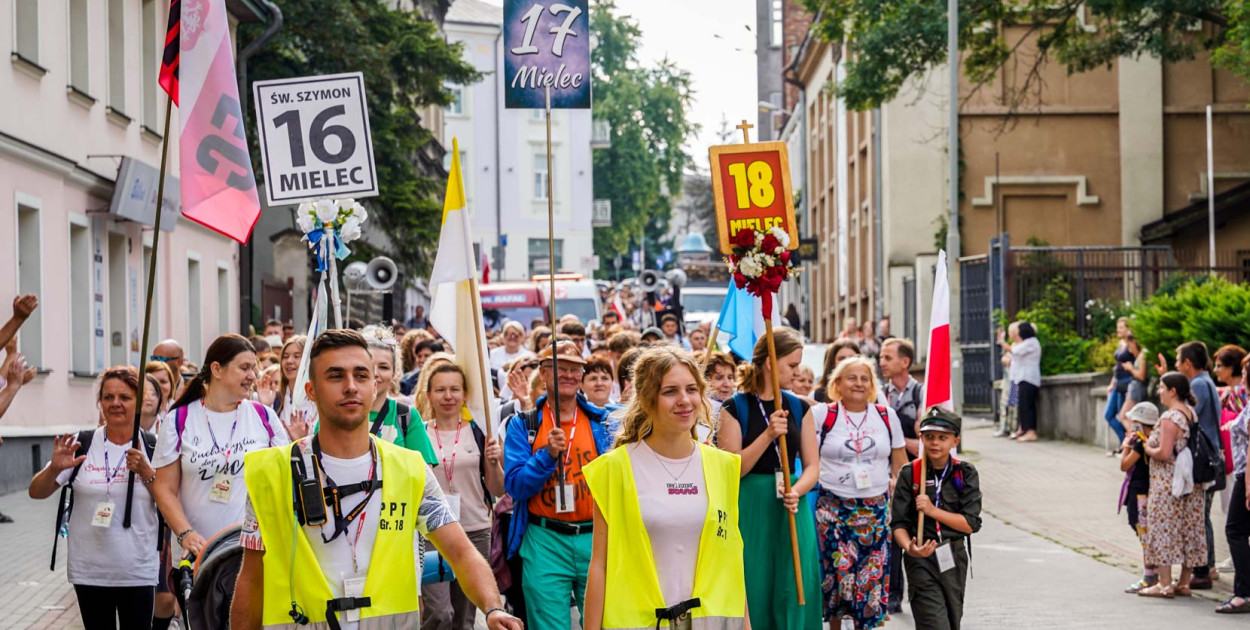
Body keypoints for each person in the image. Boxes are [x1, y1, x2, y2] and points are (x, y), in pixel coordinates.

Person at [230, 330, 522, 630]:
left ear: (375, 385)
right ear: (311, 390)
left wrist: (492, 608)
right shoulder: (272, 473)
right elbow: (252, 579)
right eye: (335, 376)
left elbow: (461, 553)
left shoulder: (410, 469)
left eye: (361, 375)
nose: (351, 386)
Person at [583, 346, 747, 629]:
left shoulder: (724, 467)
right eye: (670, 391)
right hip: (640, 622)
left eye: (692, 389)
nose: (685, 400)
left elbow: (730, 561)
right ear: (647, 400)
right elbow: (600, 565)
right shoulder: (615, 468)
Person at [29, 367, 161, 630]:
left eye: (124, 397)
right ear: (100, 402)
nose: (115, 404)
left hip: (137, 569)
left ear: (138, 402)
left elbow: (171, 503)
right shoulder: (82, 443)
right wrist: (55, 469)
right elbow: (36, 492)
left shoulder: (154, 447)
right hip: (90, 569)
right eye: (108, 397)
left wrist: (147, 473)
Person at [503, 340, 616, 630]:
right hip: (545, 540)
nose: (567, 374)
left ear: (581, 375)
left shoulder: (603, 422)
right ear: (543, 373)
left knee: (606, 622)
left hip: (597, 537)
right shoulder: (524, 424)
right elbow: (515, 486)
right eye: (559, 368)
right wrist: (546, 455)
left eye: (574, 369)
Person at [149, 334, 294, 561]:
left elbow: (284, 478)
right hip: (196, 555)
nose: (252, 376)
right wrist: (185, 533)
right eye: (244, 368)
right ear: (217, 369)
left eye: (254, 368)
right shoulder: (180, 419)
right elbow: (164, 488)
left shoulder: (263, 416)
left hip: (253, 554)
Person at [717, 327, 822, 630]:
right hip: (751, 505)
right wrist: (767, 434)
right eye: (791, 365)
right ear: (769, 363)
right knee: (755, 580)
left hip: (791, 502)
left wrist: (798, 490)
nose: (797, 372)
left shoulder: (800, 407)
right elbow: (733, 468)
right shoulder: (735, 407)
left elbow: (813, 466)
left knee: (793, 583)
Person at [813, 356, 907, 627]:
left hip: (876, 509)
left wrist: (898, 495)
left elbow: (899, 464)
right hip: (833, 508)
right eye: (852, 378)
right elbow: (809, 457)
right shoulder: (823, 415)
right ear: (838, 383)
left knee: (870, 578)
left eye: (865, 378)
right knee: (839, 576)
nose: (859, 383)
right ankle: (834, 625)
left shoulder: (886, 416)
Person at [419, 357, 506, 630]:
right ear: (429, 395)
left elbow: (497, 489)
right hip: (432, 533)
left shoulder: (481, 433)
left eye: (454, 389)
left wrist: (494, 462)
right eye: (441, 390)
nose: (448, 396)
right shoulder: (418, 433)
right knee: (439, 612)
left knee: (465, 617)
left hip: (474, 529)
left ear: (465, 394)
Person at [890, 407, 983, 630]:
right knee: (934, 623)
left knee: (952, 621)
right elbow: (898, 524)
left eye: (943, 437)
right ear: (921, 438)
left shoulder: (966, 473)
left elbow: (970, 524)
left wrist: (932, 510)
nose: (935, 443)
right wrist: (909, 548)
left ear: (955, 441)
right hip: (921, 556)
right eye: (929, 437)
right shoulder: (910, 473)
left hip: (953, 555)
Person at [1156, 341, 1222, 588]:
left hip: (1200, 460)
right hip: (1207, 456)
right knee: (1200, 514)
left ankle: (1205, 569)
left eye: (1176, 361)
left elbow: (1182, 412)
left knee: (1199, 516)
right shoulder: (1205, 382)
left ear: (1187, 363)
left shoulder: (1198, 385)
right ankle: (1204, 567)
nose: (1175, 364)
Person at [1139, 372, 1209, 598]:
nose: (1158, 391)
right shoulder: (1191, 414)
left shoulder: (1170, 418)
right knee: (1190, 529)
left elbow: (1164, 452)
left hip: (1168, 483)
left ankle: (1165, 584)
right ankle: (1184, 582)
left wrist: (1147, 449)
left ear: (1173, 391)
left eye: (1161, 387)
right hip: (1191, 483)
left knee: (1164, 528)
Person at [878, 337, 923, 612]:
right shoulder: (881, 393)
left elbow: (926, 441)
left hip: (916, 471)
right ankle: (893, 592)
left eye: (887, 357)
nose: (881, 362)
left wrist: (898, 440)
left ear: (905, 362)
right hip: (888, 471)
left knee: (917, 530)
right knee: (894, 528)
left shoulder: (921, 393)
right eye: (881, 357)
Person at [361, 328, 438, 464]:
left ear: (394, 374)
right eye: (369, 366)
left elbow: (425, 477)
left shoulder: (406, 417)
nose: (375, 373)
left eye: (384, 367)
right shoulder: (337, 413)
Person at [1218, 353, 1250, 613]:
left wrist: (1248, 486)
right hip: (1243, 474)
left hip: (1245, 475)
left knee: (1235, 531)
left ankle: (1244, 593)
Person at [1120, 402, 1160, 594]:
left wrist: (1126, 447)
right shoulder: (1154, 440)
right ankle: (1154, 573)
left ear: (1141, 423)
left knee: (1143, 532)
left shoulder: (1139, 443)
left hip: (1140, 492)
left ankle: (1149, 575)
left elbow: (1125, 465)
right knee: (1147, 532)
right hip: (1150, 490)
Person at [999, 321, 1041, 442]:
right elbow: (1009, 355)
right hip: (1017, 379)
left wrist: (1002, 341)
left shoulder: (1031, 342)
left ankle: (1030, 431)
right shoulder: (1021, 344)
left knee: (1026, 405)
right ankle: (1020, 428)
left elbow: (1013, 352)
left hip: (1028, 378)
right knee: (1019, 405)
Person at [1104, 317, 1135, 448]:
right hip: (1118, 382)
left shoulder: (1131, 344)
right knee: (1109, 415)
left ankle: (1126, 445)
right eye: (1118, 327)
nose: (1118, 330)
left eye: (1121, 327)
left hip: (1127, 383)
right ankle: (1124, 442)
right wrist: (1112, 383)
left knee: (1124, 416)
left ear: (1128, 329)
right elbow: (1117, 366)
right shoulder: (1120, 344)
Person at [814, 338, 862, 403]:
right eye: (841, 358)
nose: (847, 362)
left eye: (852, 358)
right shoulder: (816, 395)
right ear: (832, 362)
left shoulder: (874, 395)